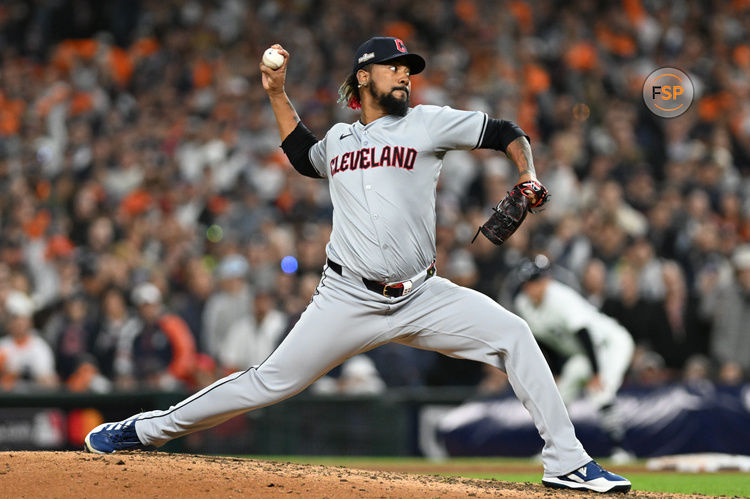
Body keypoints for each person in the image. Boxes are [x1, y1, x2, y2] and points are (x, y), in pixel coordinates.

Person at [85, 37, 629, 493]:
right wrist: (276, 93)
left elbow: (506, 131)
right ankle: (148, 430)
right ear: (363, 76)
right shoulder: (340, 139)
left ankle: (567, 462)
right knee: (269, 382)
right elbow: (302, 156)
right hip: (346, 298)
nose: (405, 76)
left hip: (422, 294)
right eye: (394, 68)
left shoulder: (428, 123)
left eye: (408, 70)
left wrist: (527, 175)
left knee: (513, 333)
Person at [514, 255, 635, 462]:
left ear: (546, 281)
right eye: (527, 283)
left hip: (609, 344)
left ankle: (620, 450)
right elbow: (544, 340)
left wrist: (596, 373)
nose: (530, 287)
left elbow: (585, 334)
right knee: (560, 395)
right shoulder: (523, 304)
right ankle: (555, 451)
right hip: (582, 353)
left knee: (602, 391)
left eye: (534, 282)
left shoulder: (560, 298)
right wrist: (557, 372)